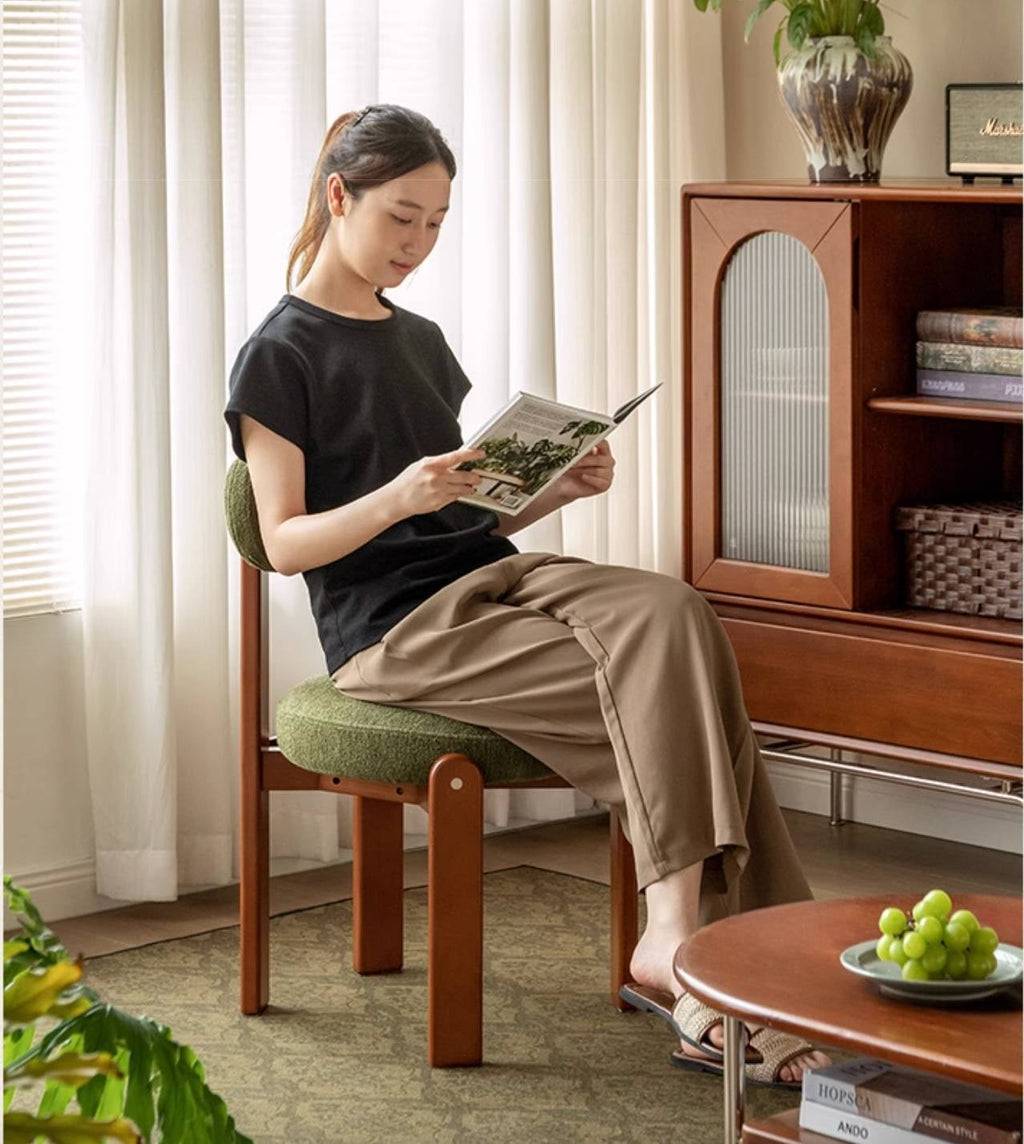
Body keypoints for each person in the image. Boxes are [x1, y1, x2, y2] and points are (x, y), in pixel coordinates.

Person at [223, 103, 829, 1085]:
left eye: (435, 224)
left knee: (673, 612)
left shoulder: (421, 341)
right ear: (339, 196)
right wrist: (397, 495)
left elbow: (471, 517)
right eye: (401, 217)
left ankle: (683, 942)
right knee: (687, 699)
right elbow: (285, 544)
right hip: (394, 629)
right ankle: (739, 967)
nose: (417, 243)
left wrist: (554, 490)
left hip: (490, 577)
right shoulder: (278, 354)